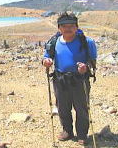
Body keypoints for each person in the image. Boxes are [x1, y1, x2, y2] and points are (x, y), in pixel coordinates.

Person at [42, 12, 97, 146]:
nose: (68, 29)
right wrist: (46, 61)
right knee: (62, 107)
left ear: (77, 27)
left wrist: (86, 67)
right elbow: (46, 57)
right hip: (60, 79)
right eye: (64, 26)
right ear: (59, 28)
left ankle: (82, 134)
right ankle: (67, 131)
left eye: (71, 26)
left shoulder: (87, 41)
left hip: (80, 79)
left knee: (82, 108)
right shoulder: (54, 42)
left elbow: (93, 61)